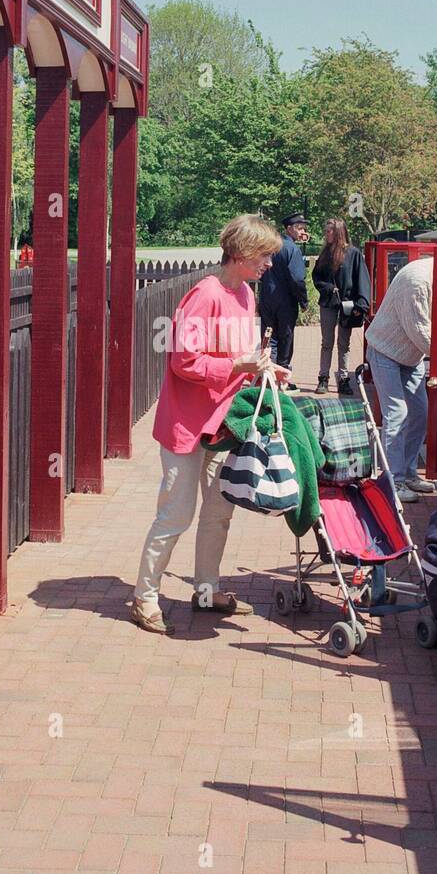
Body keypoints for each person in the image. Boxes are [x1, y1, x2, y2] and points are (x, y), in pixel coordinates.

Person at [132, 214, 290, 635]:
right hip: (187, 425)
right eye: (264, 256)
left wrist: (265, 370)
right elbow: (183, 362)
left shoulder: (245, 296)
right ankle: (145, 596)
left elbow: (245, 355)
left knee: (218, 511)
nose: (269, 264)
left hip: (224, 424)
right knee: (176, 514)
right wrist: (237, 365)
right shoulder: (205, 295)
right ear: (239, 254)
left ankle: (206, 591)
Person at [364, 252, 435, 503]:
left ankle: (408, 472)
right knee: (398, 413)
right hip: (386, 351)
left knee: (420, 413)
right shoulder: (418, 281)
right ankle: (393, 480)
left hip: (410, 356)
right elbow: (421, 333)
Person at [311, 218, 371, 395]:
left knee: (344, 343)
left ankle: (344, 380)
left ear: (338, 232)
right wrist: (328, 287)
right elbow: (317, 278)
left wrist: (361, 303)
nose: (325, 234)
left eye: (329, 231)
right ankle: (323, 378)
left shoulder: (353, 254)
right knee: (326, 342)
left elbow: (362, 279)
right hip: (329, 303)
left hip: (347, 304)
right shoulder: (325, 254)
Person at [258, 212, 308, 385]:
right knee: (285, 338)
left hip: (267, 297)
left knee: (268, 337)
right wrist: (303, 301)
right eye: (298, 228)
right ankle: (282, 376)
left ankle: (268, 374)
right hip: (286, 300)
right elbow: (297, 279)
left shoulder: (270, 245)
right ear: (288, 229)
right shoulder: (292, 249)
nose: (302, 231)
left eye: (303, 228)